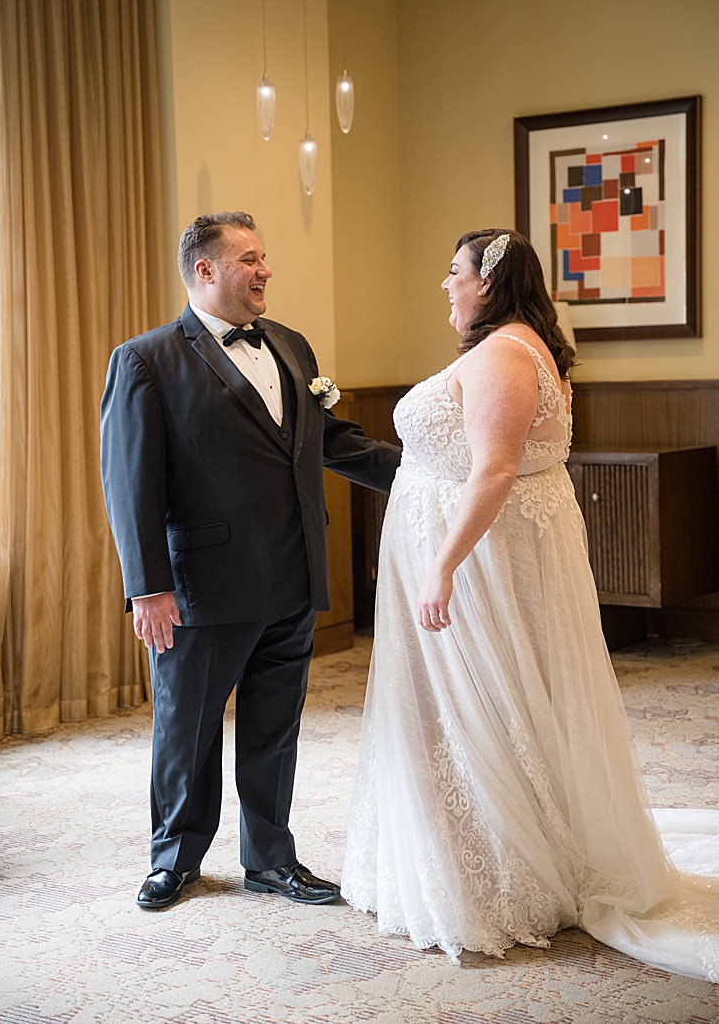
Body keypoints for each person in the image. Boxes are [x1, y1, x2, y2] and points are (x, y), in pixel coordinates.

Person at [341, 229, 719, 980]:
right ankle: (482, 843)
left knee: (480, 709)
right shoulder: (513, 347)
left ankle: (504, 872)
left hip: (470, 567)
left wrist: (441, 567)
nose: (445, 286)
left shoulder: (506, 355)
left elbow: (496, 472)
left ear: (489, 280)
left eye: (453, 273)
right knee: (490, 705)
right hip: (480, 558)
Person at [100, 211, 401, 911]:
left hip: (293, 576)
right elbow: (129, 481)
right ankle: (173, 859)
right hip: (201, 587)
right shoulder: (146, 359)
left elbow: (332, 440)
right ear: (205, 271)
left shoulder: (292, 346)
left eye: (264, 257)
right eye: (249, 259)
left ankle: (271, 858)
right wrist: (147, 588)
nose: (265, 270)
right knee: (188, 729)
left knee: (276, 727)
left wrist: (426, 471)